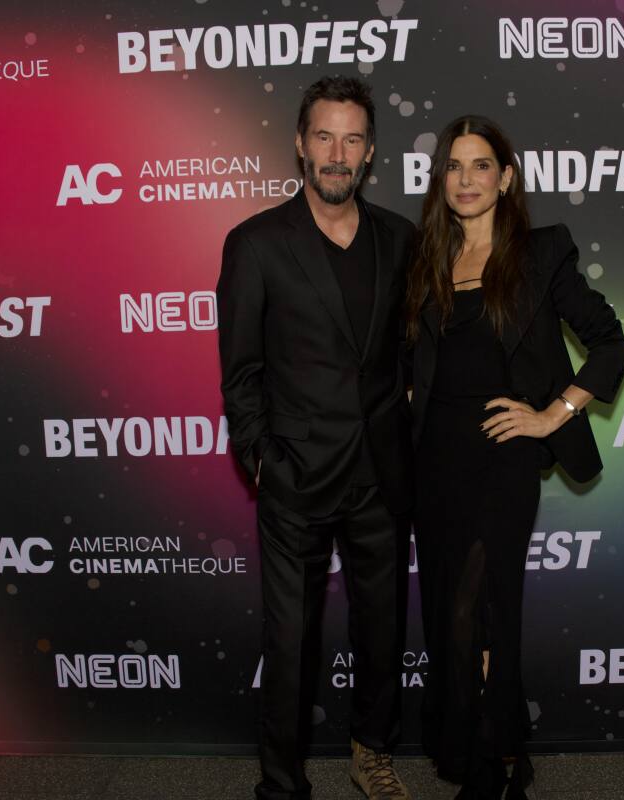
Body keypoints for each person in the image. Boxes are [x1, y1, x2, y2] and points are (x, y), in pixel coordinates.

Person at [405, 116, 624, 799]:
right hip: (434, 460)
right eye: (453, 166)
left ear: (506, 178)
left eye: (480, 166)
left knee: (480, 606)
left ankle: (489, 767)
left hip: (502, 461)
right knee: (448, 609)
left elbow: (610, 342)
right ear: (440, 179)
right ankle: (494, 745)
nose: (466, 180)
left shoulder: (540, 254)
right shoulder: (423, 259)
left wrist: (551, 414)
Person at [217, 75, 416, 800]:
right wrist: (261, 462)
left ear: (370, 153)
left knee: (383, 629)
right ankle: (281, 781)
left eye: (353, 138)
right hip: (296, 476)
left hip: (381, 477)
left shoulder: (401, 239)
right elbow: (241, 372)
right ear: (301, 145)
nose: (338, 153)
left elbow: (413, 354)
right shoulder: (257, 243)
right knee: (290, 641)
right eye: (325, 136)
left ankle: (373, 754)